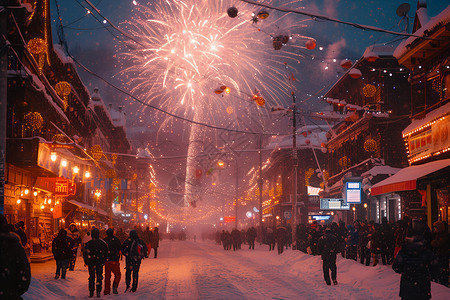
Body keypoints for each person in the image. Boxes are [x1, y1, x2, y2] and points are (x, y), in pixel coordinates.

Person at [392, 219, 438, 300]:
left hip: (407, 287)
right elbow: (434, 266)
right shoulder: (426, 249)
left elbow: (396, 267)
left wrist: (406, 270)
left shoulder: (404, 250)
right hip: (423, 287)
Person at [0, 214, 31, 299]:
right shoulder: (15, 246)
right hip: (11, 295)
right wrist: (14, 292)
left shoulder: (14, 245)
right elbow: (24, 273)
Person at [83, 228, 109, 298]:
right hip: (99, 263)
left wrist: (87, 261)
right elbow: (106, 253)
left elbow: (85, 253)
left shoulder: (89, 244)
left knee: (91, 277)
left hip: (91, 263)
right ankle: (98, 291)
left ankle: (91, 292)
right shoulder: (102, 243)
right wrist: (103, 260)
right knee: (99, 277)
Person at [103, 228, 122, 295]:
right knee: (117, 274)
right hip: (115, 260)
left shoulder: (104, 241)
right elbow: (120, 248)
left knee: (107, 276)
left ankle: (107, 291)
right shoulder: (116, 240)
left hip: (107, 260)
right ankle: (115, 286)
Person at [430, 220, 449, 287]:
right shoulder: (437, 234)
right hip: (440, 255)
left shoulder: (444, 235)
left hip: (443, 255)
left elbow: (438, 243)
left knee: (442, 271)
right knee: (440, 270)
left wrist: (433, 242)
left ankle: (443, 283)